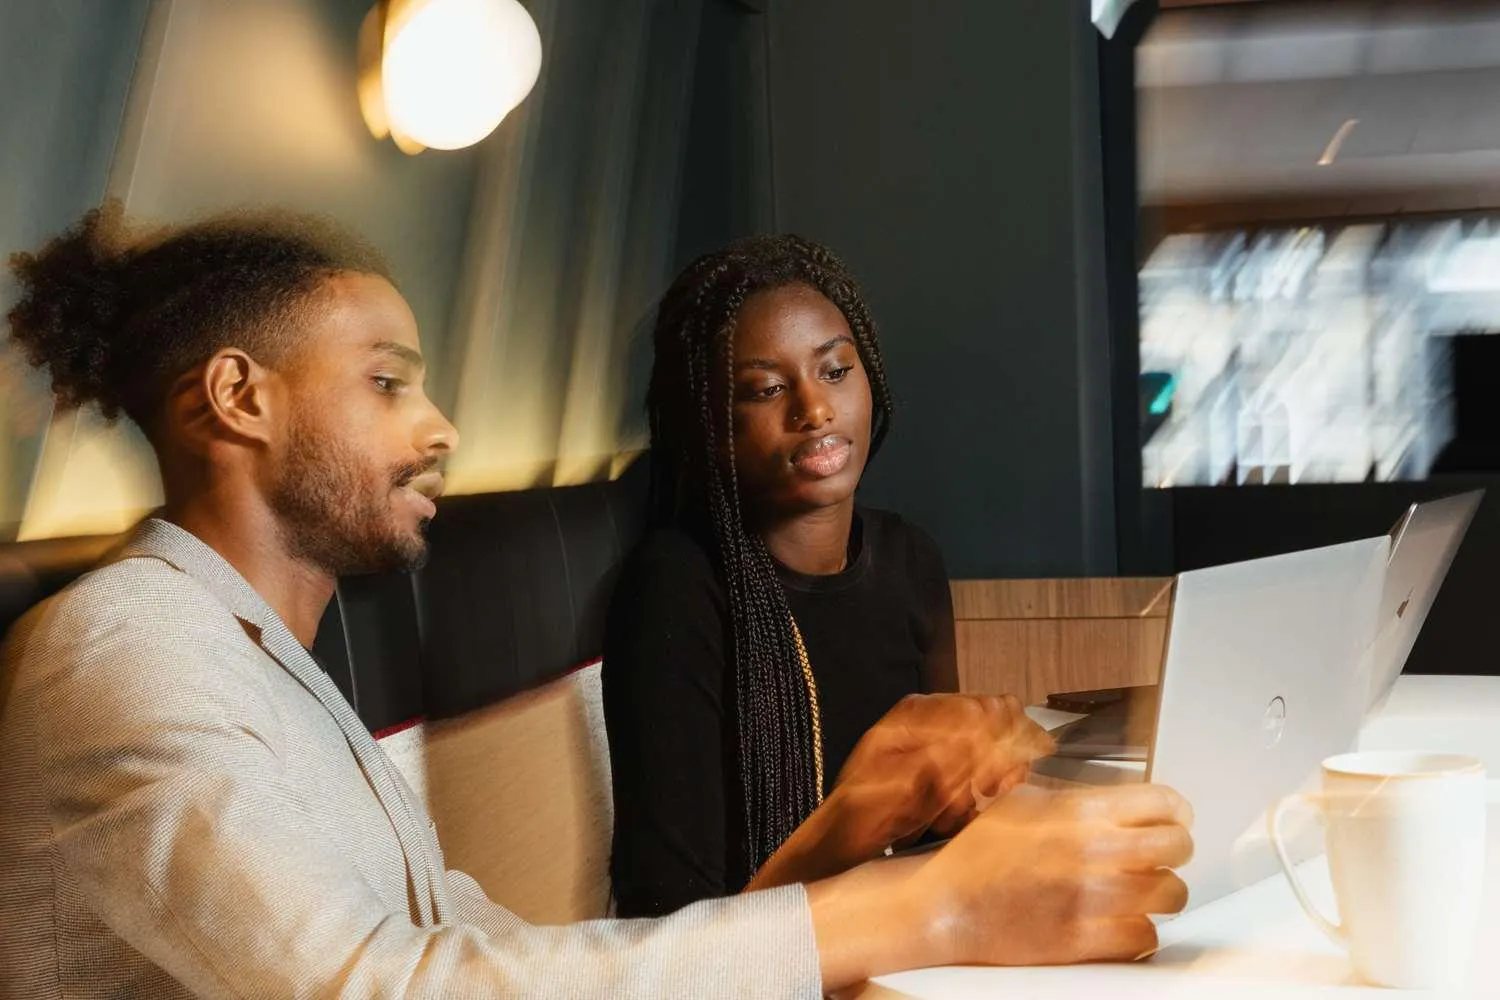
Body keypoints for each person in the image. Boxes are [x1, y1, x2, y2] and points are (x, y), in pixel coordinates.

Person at [0, 204, 1193, 1000]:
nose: (440, 427)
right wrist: (927, 912)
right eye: (388, 383)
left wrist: (847, 829)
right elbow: (385, 989)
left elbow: (501, 960)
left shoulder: (260, 665)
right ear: (238, 397)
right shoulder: (123, 651)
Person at [605, 234, 1042, 916]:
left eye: (835, 371)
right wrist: (860, 809)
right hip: (765, 965)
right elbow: (671, 933)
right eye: (766, 390)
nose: (813, 411)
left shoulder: (910, 558)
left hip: (912, 938)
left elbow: (934, 834)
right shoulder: (675, 588)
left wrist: (981, 782)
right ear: (709, 423)